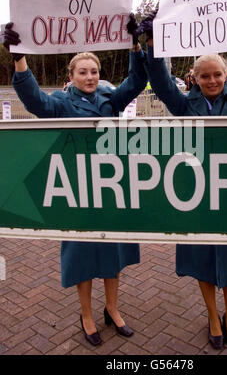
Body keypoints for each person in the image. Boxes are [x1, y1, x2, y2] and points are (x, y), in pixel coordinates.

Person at [129, 0, 227, 350]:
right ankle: (212, 315)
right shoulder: (185, 104)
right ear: (195, 79)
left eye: (217, 74)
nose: (212, 80)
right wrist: (154, 44)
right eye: (205, 76)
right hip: (197, 195)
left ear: (226, 75)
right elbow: (159, 79)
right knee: (202, 259)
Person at [2, 20, 148, 346]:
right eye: (83, 72)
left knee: (114, 250)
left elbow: (138, 80)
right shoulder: (62, 103)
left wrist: (136, 45)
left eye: (94, 71)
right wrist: (20, 58)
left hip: (111, 188)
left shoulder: (110, 99)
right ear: (71, 76)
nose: (90, 77)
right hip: (77, 190)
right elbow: (34, 101)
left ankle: (112, 309)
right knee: (82, 254)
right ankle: (86, 314)